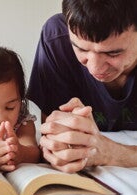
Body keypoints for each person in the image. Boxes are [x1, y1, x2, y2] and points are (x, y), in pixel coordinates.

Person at [26, 0, 137, 173]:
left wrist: (110, 153)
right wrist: (58, 148)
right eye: (81, 49)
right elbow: (54, 134)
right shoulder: (56, 38)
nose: (94, 69)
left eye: (113, 52)